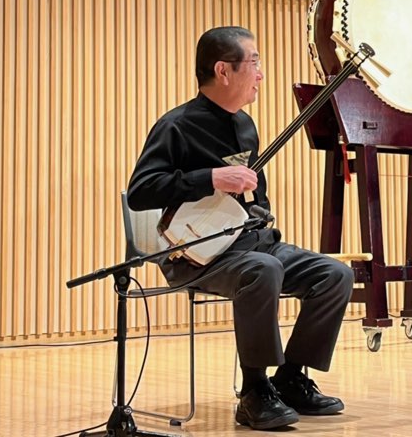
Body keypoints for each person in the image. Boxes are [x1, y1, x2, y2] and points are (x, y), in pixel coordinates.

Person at [127, 26, 354, 430]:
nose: (261, 74)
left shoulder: (246, 125)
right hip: (196, 254)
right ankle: (253, 392)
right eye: (254, 63)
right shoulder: (176, 126)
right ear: (223, 70)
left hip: (251, 245)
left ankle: (289, 379)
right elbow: (141, 192)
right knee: (262, 271)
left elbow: (254, 195)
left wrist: (261, 215)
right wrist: (210, 178)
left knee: (334, 274)